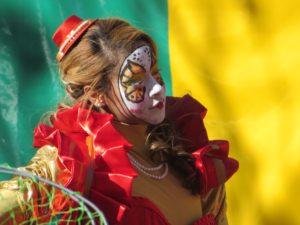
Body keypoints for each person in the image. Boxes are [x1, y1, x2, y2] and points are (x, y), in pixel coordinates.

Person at [0, 15, 239, 225]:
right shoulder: (74, 162)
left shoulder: (189, 151)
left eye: (156, 73)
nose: (157, 89)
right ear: (96, 94)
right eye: (137, 81)